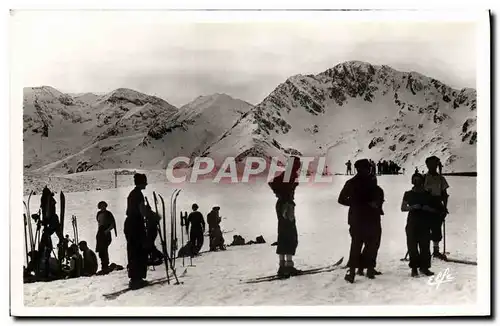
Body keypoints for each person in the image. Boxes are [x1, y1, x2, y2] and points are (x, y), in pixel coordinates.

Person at [338, 159, 384, 283]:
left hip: (359, 218)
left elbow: (342, 200)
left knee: (360, 245)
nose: (369, 169)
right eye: (367, 167)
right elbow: (341, 199)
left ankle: (357, 270)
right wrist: (363, 204)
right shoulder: (367, 183)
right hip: (366, 218)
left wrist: (356, 204)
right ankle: (363, 269)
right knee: (369, 244)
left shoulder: (353, 183)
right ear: (361, 169)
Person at [401, 173, 444, 277]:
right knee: (412, 247)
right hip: (412, 223)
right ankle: (414, 268)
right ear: (412, 182)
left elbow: (437, 209)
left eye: (419, 181)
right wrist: (412, 207)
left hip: (425, 224)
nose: (417, 183)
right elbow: (403, 208)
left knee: (425, 247)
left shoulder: (428, 195)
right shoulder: (408, 194)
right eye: (415, 180)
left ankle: (424, 267)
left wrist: (428, 209)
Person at [268, 156, 302, 277]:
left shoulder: (287, 174)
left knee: (283, 234)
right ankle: (288, 266)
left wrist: (279, 195)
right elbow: (274, 184)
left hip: (282, 204)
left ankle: (282, 266)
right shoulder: (290, 174)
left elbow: (272, 182)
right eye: (298, 164)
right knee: (290, 235)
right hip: (286, 206)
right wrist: (285, 199)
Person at [124, 173, 149, 289]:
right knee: (139, 250)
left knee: (133, 251)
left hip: (130, 224)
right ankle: (137, 278)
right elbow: (142, 211)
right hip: (136, 225)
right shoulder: (138, 195)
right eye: (145, 182)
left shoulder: (132, 194)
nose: (146, 184)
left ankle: (134, 278)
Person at [422, 156, 449, 259]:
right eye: (430, 164)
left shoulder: (441, 179)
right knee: (424, 228)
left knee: (436, 228)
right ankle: (424, 251)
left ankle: (436, 250)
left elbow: (445, 194)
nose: (432, 167)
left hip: (437, 205)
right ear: (427, 165)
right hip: (425, 205)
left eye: (435, 164)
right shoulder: (424, 178)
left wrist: (444, 208)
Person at [95, 201, 117, 273]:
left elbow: (112, 224)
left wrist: (106, 231)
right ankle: (103, 265)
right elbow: (99, 223)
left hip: (106, 233)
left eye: (104, 205)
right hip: (100, 233)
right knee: (100, 250)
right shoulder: (98, 213)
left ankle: (106, 265)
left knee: (104, 249)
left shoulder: (108, 214)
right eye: (101, 206)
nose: (102, 207)